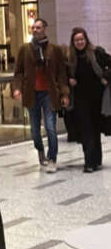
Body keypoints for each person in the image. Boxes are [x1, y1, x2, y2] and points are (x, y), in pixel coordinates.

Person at [12, 17, 69, 172]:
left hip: (49, 94)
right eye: (33, 28)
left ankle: (52, 159)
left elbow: (61, 74)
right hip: (32, 94)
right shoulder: (25, 49)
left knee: (50, 127)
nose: (35, 30)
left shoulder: (54, 49)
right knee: (35, 130)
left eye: (38, 27)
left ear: (45, 29)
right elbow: (18, 72)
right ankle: (40, 150)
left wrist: (64, 94)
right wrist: (17, 89)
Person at [66, 27, 111, 173]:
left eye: (81, 39)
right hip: (80, 99)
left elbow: (109, 65)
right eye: (76, 40)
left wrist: (105, 77)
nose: (79, 42)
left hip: (97, 98)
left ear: (86, 40)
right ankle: (89, 162)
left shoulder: (97, 52)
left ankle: (96, 159)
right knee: (86, 130)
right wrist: (69, 80)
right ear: (73, 42)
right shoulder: (71, 58)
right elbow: (66, 75)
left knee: (95, 130)